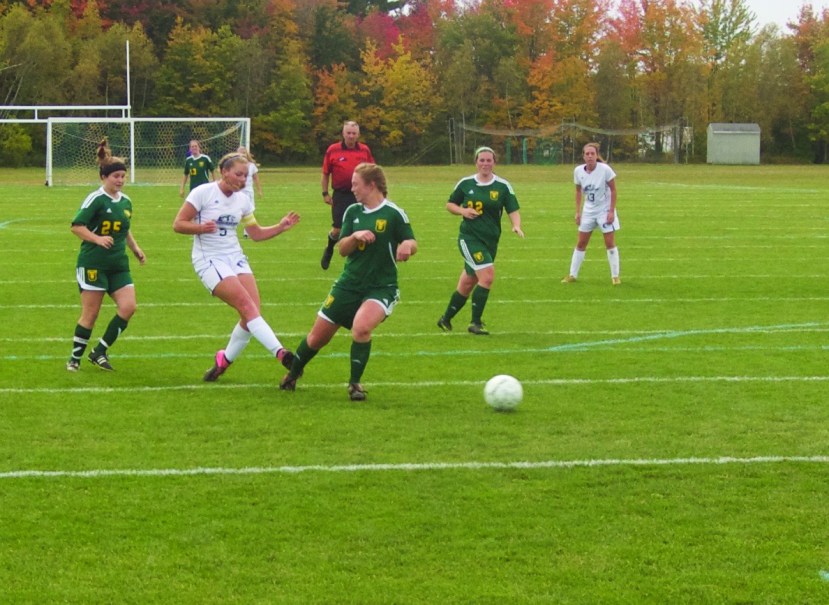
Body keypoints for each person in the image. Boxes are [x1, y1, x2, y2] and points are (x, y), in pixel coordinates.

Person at [280, 162, 417, 401]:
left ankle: (355, 384)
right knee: (316, 338)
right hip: (348, 285)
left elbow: (411, 242)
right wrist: (354, 236)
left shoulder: (393, 213)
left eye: (356, 184)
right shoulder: (352, 212)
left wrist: (407, 245)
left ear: (371, 185)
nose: (351, 188)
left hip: (381, 287)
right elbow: (342, 250)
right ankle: (293, 374)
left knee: (361, 328)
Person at [172, 152, 301, 382]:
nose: (243, 180)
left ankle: (224, 360)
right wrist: (201, 228)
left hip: (235, 257)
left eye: (246, 176)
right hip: (209, 258)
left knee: (251, 314)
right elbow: (178, 224)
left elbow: (256, 234)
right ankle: (281, 353)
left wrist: (281, 227)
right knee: (246, 306)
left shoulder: (242, 200)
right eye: (239, 174)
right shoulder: (203, 193)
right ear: (224, 172)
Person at [66, 139, 146, 372]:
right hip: (93, 264)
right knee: (90, 314)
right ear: (104, 177)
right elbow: (76, 226)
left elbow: (124, 228)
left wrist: (135, 248)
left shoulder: (127, 201)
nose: (120, 180)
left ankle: (99, 351)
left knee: (128, 307)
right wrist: (97, 238)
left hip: (118, 265)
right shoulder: (95, 199)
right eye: (116, 176)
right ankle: (74, 359)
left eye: (123, 176)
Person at [437, 146, 523, 336]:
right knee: (488, 276)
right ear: (476, 162)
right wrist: (462, 211)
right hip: (469, 238)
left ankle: (445, 319)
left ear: (494, 162)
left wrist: (516, 225)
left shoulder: (502, 186)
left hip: (491, 240)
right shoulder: (466, 183)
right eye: (481, 160)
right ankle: (475, 323)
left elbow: (512, 209)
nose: (485, 163)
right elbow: (450, 204)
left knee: (467, 283)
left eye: (488, 160)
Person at [562, 142, 621, 285]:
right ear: (583, 156)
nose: (589, 156)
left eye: (592, 154)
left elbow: (613, 190)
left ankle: (615, 276)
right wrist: (577, 211)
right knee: (581, 242)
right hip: (588, 211)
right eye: (587, 154)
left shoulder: (605, 170)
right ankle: (572, 275)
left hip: (604, 210)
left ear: (596, 155)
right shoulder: (578, 171)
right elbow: (578, 191)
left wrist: (611, 211)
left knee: (609, 242)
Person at [320, 120, 375, 271]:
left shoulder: (364, 150)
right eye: (348, 133)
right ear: (343, 133)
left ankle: (360, 260)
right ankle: (330, 248)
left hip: (361, 194)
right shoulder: (333, 150)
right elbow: (325, 173)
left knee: (363, 226)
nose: (351, 136)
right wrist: (325, 193)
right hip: (341, 195)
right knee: (337, 230)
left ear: (358, 135)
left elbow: (373, 171)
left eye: (354, 133)